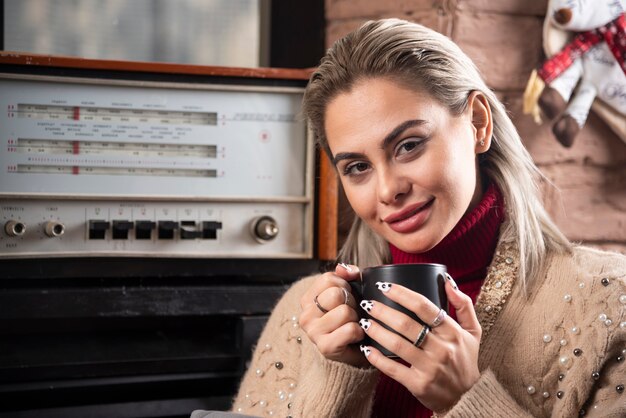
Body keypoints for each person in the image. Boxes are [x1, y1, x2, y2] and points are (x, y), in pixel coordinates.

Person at [219, 18, 625, 417]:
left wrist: (468, 400)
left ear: (478, 123)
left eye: (409, 145)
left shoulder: (609, 302)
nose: (386, 189)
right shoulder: (302, 316)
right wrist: (334, 377)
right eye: (358, 167)